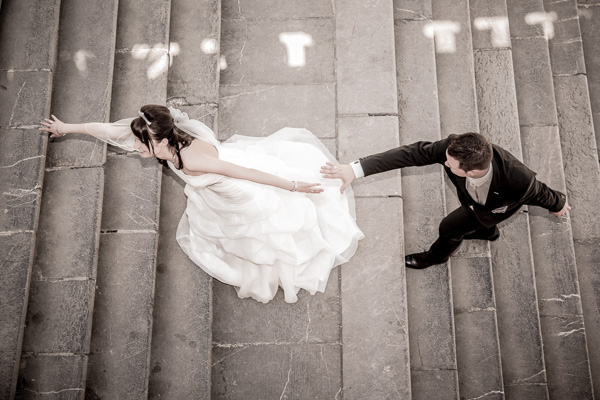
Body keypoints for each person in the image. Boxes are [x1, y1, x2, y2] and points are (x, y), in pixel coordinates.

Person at [40, 105, 363, 303]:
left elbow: (247, 173)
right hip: (215, 190)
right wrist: (65, 128)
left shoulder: (194, 159)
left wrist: (292, 185)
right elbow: (109, 130)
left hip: (241, 193)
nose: (135, 147)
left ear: (164, 142)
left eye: (142, 144)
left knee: (265, 228)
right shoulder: (156, 131)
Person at [321, 132, 570, 269]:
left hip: (495, 207)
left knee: (449, 227)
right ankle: (488, 233)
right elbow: (411, 154)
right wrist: (355, 169)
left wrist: (558, 205)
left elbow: (540, 192)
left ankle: (436, 257)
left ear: (471, 171)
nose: (445, 163)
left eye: (450, 164)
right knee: (479, 223)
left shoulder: (518, 180)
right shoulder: (454, 148)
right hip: (473, 200)